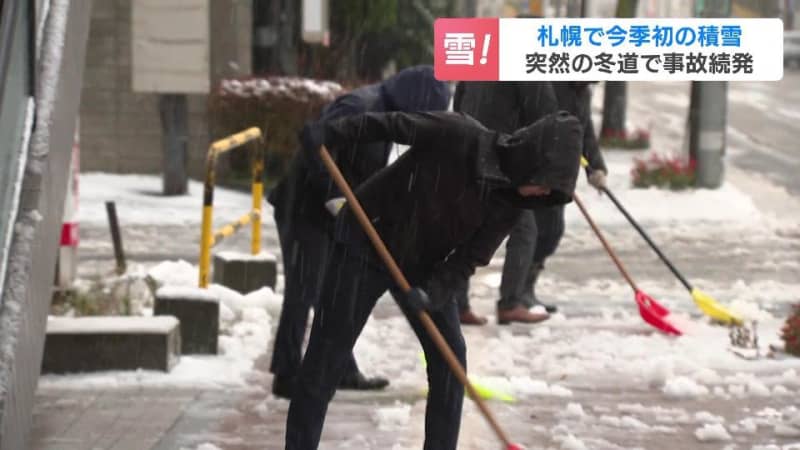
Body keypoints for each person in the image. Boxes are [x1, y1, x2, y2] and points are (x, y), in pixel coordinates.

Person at [285, 109, 583, 450]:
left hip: (423, 263)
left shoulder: (511, 204)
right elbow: (391, 124)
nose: (543, 193)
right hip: (366, 241)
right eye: (545, 183)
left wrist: (431, 293)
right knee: (326, 359)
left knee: (450, 362)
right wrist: (333, 132)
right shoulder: (460, 134)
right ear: (530, 158)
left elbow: (468, 259)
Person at [267, 66, 451, 399]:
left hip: (338, 213)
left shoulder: (388, 115)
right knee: (304, 288)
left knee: (335, 291)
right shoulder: (358, 106)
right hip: (304, 208)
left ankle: (341, 370)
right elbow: (316, 149)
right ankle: (286, 373)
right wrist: (333, 198)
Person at [451, 80, 560, 325]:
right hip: (504, 156)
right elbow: (546, 116)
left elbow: (458, 105)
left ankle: (457, 303)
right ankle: (510, 302)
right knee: (524, 229)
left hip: (470, 149)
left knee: (466, 228)